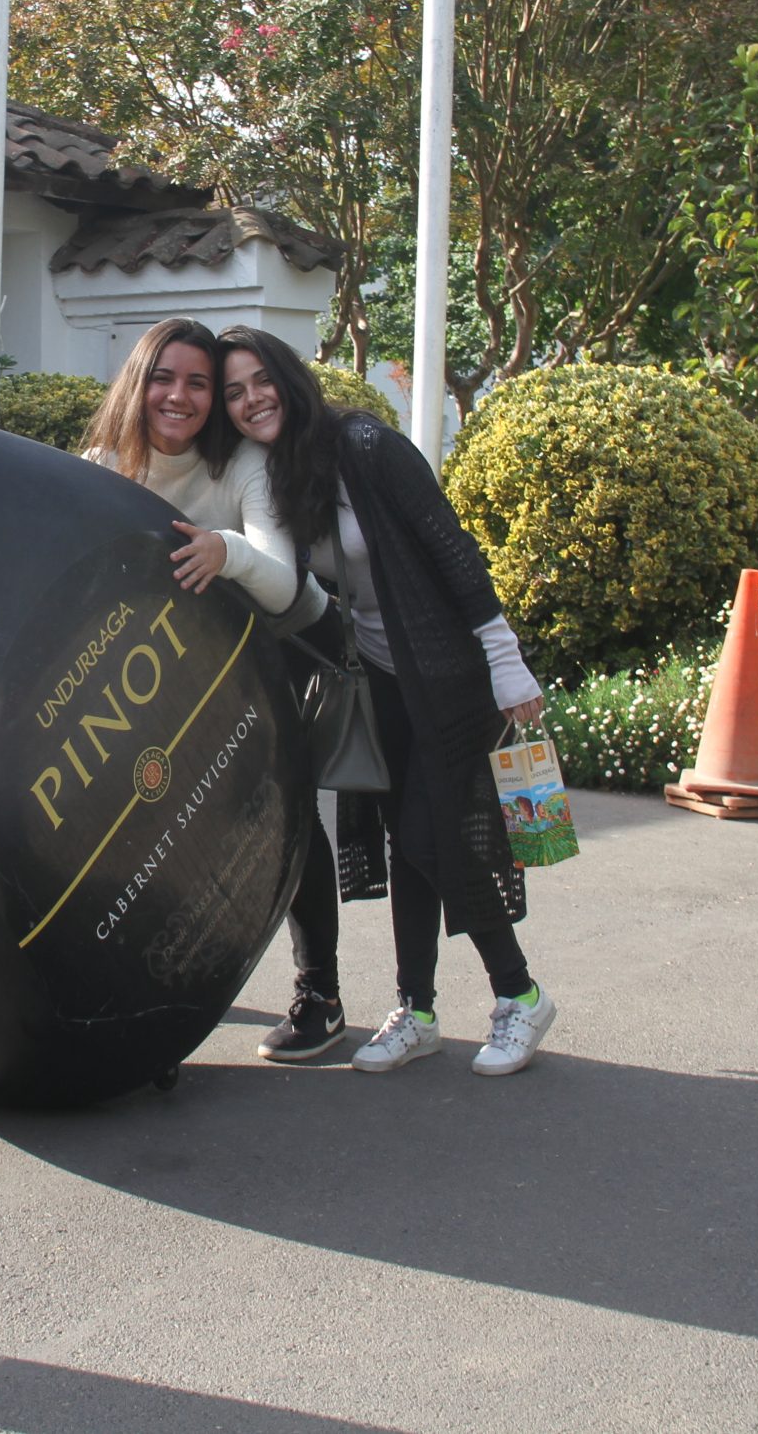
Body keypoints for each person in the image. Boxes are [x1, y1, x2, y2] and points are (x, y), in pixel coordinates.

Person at [215, 326, 557, 1078]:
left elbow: (454, 551)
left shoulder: (366, 446)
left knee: (436, 839)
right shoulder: (278, 475)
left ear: (290, 378)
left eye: (261, 380)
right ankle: (418, 1011)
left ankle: (519, 994)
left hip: (451, 675)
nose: (251, 400)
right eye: (234, 392)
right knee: (408, 842)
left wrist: (507, 663)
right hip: (381, 676)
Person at [77, 317, 307, 615]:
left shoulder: (245, 460)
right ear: (137, 384)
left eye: (197, 384)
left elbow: (282, 591)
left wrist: (226, 552)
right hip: (163, 637)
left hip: (296, 632)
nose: (178, 396)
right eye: (162, 379)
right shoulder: (101, 468)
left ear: (215, 397)